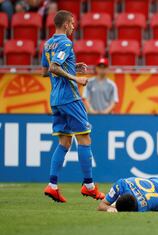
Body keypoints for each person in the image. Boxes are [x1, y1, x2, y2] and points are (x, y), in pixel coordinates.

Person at [41, 10, 104, 203]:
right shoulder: (65, 43)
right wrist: (76, 77)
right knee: (84, 138)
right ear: (66, 23)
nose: (74, 27)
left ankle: (52, 186)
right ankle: (89, 185)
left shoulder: (48, 44)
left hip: (55, 99)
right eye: (73, 23)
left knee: (64, 142)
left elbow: (45, 71)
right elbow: (53, 68)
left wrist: (72, 66)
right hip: (70, 97)